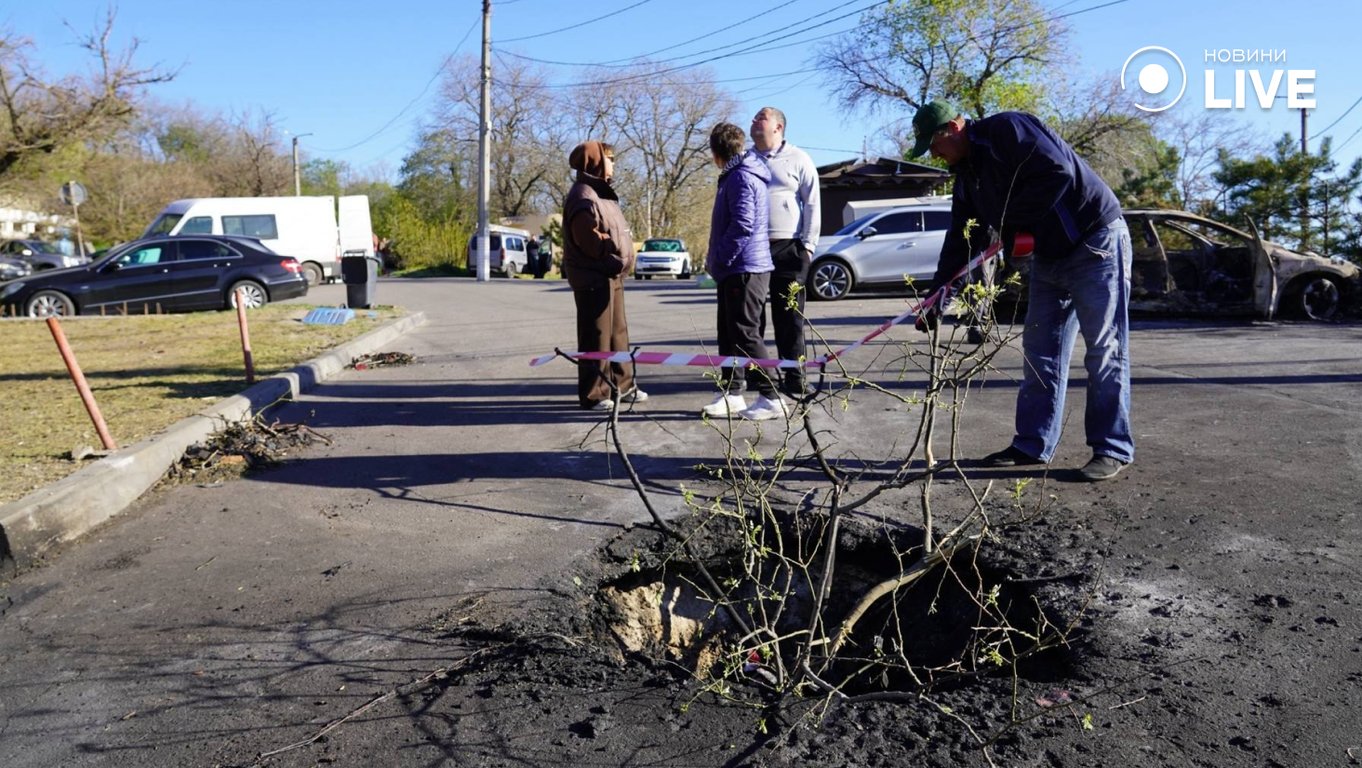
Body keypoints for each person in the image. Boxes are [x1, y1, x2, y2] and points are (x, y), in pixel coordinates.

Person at [910, 100, 1134, 482]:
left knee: (1104, 350)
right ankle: (1032, 444)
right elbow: (963, 240)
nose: (934, 155)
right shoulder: (967, 178)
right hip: (1049, 256)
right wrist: (938, 298)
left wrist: (1012, 223)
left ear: (952, 128)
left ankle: (1111, 448)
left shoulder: (1008, 129)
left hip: (1094, 241)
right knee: (1039, 352)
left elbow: (1057, 172)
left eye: (933, 145)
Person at [702, 122, 786, 421]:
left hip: (745, 268)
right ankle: (732, 393)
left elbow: (742, 225)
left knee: (746, 334)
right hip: (736, 268)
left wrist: (719, 260)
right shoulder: (736, 175)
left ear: (715, 153)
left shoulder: (740, 177)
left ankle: (772, 397)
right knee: (729, 333)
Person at [561, 140, 647, 411]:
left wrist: (620, 259)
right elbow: (589, 241)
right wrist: (612, 253)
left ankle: (623, 385)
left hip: (612, 275)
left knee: (617, 334)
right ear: (595, 161)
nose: (614, 164)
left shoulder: (603, 193)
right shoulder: (583, 196)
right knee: (596, 336)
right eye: (610, 159)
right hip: (593, 278)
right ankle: (594, 394)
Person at [750, 106, 821, 397]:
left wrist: (807, 247)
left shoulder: (799, 158)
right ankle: (758, 376)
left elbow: (813, 203)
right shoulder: (746, 159)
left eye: (761, 118)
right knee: (752, 317)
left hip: (789, 248)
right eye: (754, 118)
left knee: (789, 317)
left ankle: (794, 376)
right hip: (753, 249)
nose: (754, 122)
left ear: (778, 127)